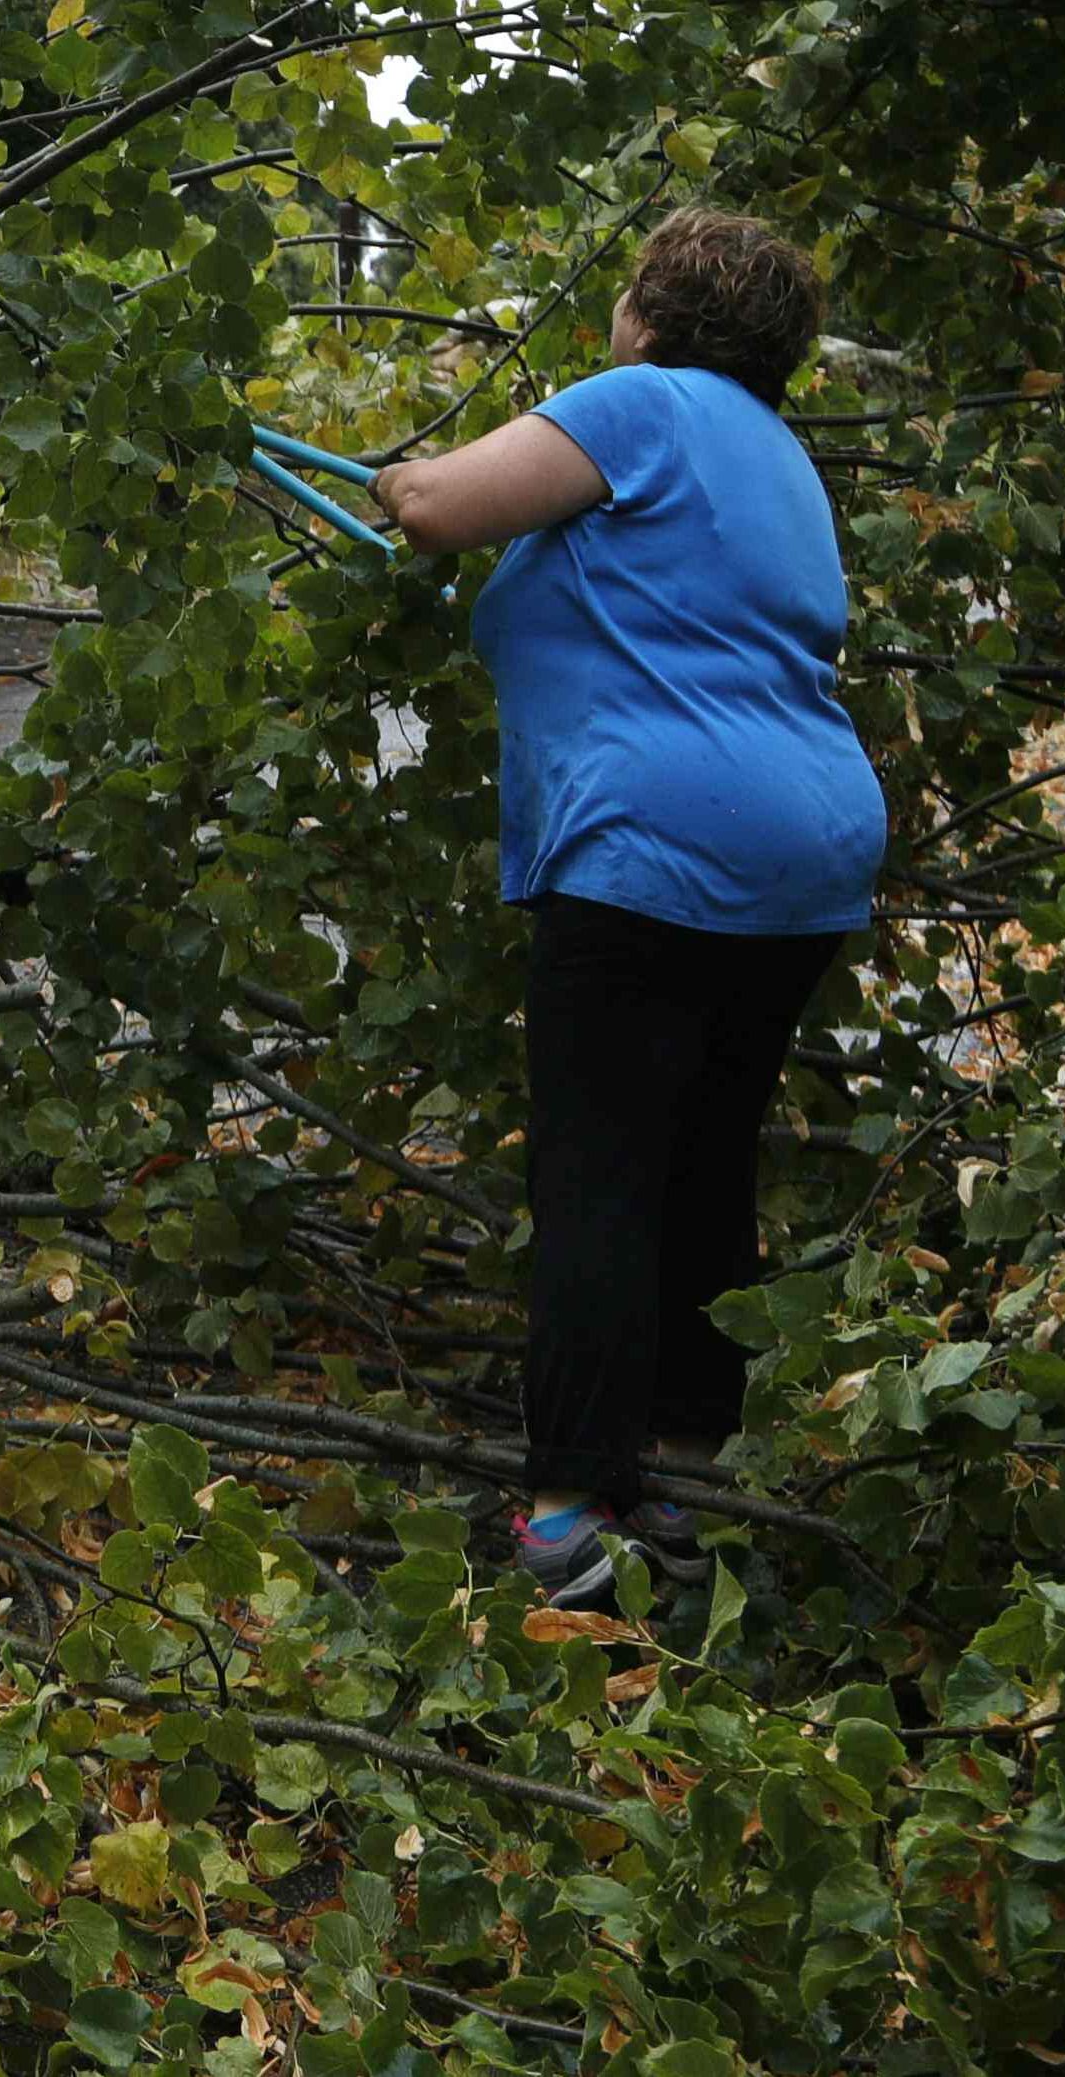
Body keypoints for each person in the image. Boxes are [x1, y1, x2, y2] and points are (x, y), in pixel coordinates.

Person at [368, 209, 883, 1607]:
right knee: (700, 1161)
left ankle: (564, 1511)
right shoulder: (779, 457)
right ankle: (686, 1467)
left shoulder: (643, 402)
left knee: (597, 1172)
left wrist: (398, 479)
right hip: (805, 852)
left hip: (659, 847)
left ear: (652, 311)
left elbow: (433, 507)